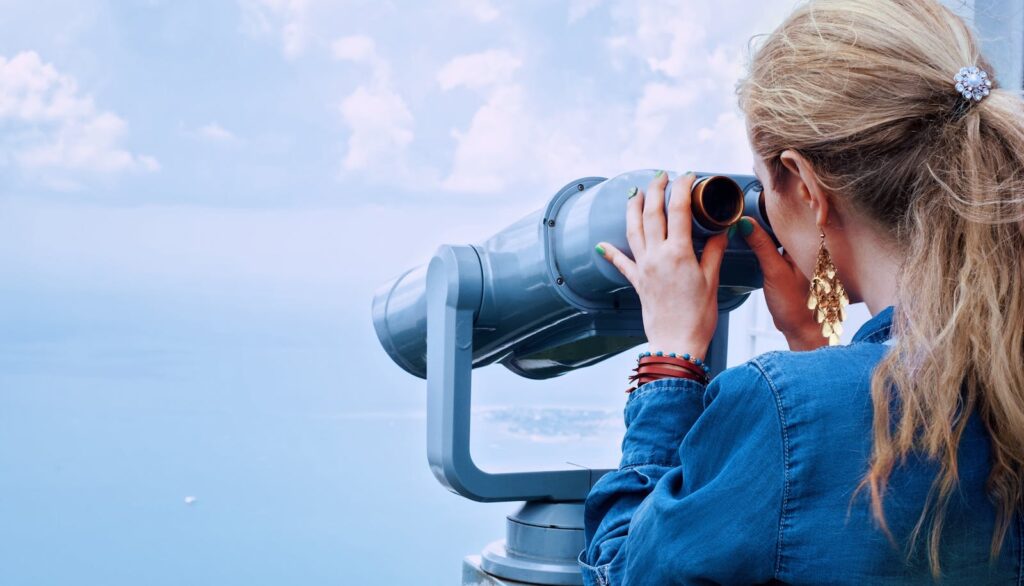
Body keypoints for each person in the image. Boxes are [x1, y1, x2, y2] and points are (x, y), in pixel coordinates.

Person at [584, 0, 1024, 583]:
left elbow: (624, 573)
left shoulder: (780, 406)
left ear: (807, 186)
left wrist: (672, 361)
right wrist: (816, 351)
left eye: (765, 188)